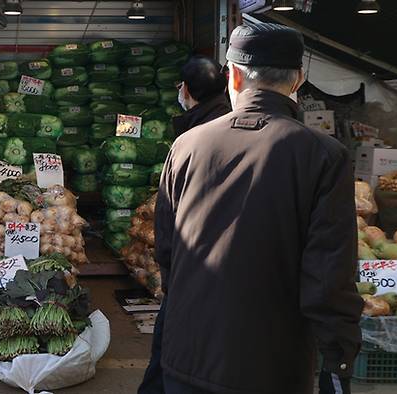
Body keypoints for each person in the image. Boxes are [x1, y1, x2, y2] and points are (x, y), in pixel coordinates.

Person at [153, 23, 363, 394]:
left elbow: (167, 251)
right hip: (271, 366)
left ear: (233, 76)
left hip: (185, 357)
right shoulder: (324, 155)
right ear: (298, 80)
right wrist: (338, 360)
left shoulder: (186, 145)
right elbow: (329, 278)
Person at [138, 56, 230, 394]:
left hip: (191, 269)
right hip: (222, 270)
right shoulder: (226, 125)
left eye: (181, 85)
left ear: (187, 90)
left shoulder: (195, 140)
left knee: (169, 355)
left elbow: (169, 215)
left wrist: (169, 269)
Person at [172, 56, 230, 137]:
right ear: (225, 88)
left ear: (185, 89)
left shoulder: (189, 137)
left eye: (180, 86)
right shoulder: (233, 120)